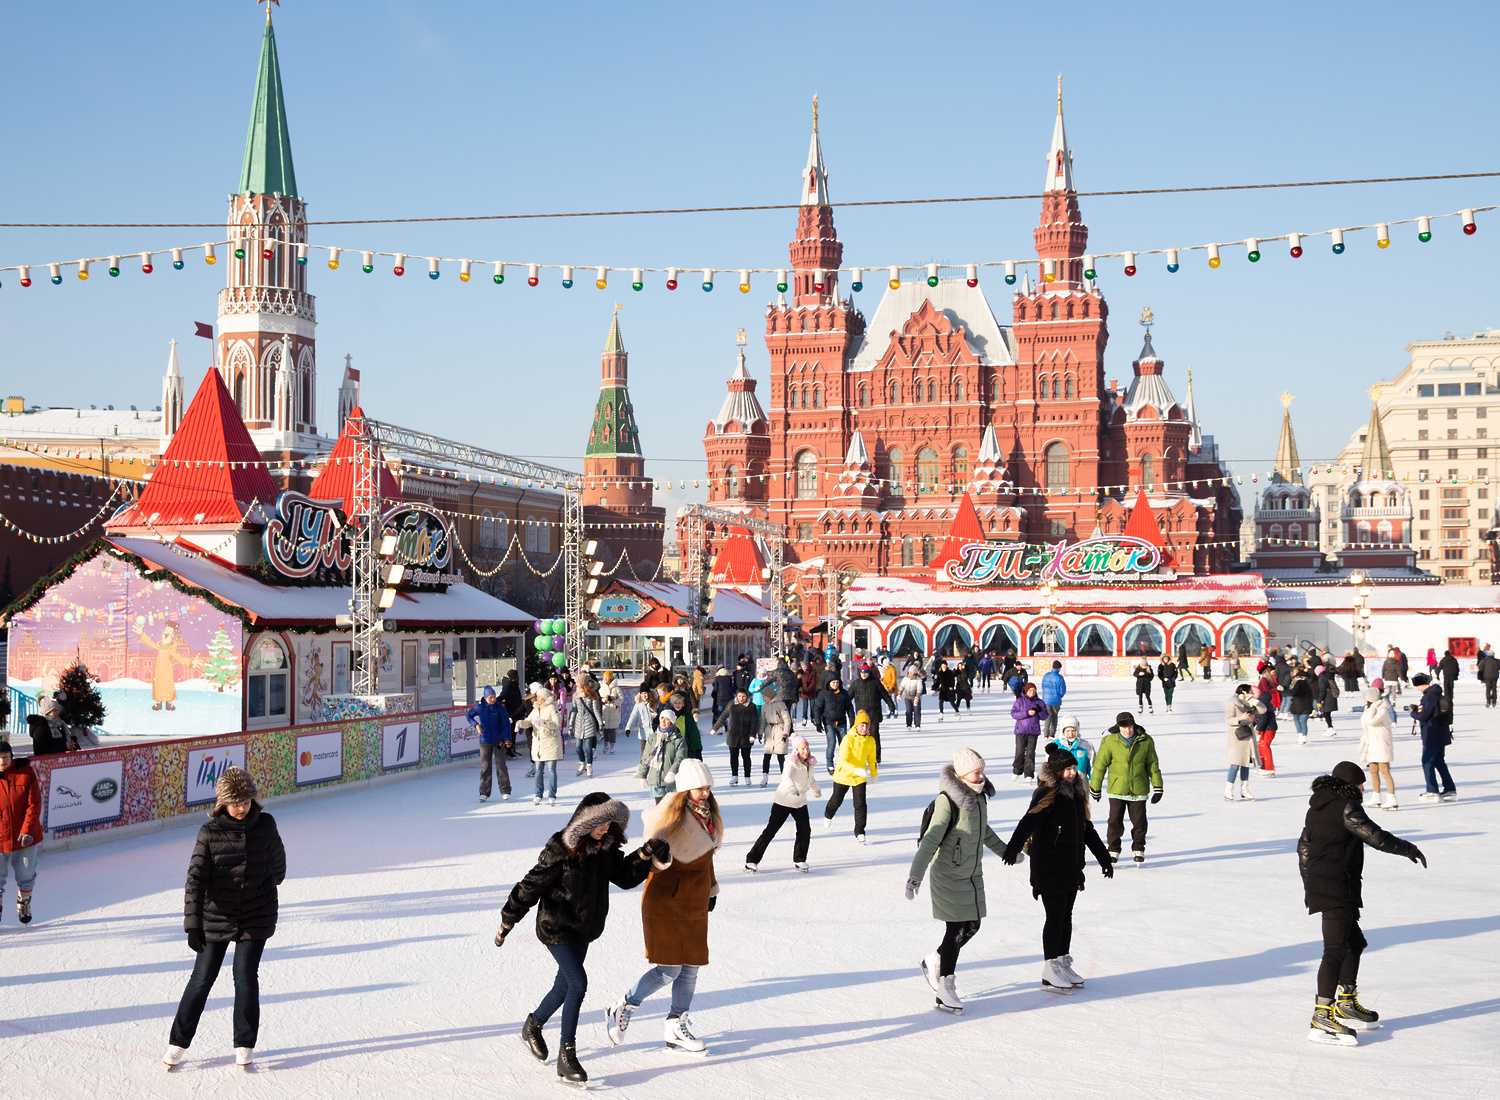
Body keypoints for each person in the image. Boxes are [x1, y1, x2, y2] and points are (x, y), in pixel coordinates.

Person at [497, 794, 664, 1085]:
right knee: (578, 983)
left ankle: (533, 1025)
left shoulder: (605, 848)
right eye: (600, 823)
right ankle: (567, 1055)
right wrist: (508, 919)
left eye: (609, 823)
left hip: (583, 929)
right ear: (585, 821)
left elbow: (624, 877)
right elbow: (531, 884)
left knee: (563, 987)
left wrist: (644, 855)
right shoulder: (561, 848)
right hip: (557, 928)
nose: (605, 829)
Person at [162, 768, 286, 1070]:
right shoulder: (209, 832)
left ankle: (244, 1044)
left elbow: (279, 868)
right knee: (202, 979)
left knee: (245, 978)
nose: (241, 808)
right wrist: (192, 923)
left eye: (245, 801)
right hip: (216, 915)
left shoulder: (265, 825)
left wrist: (261, 883)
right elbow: (195, 879)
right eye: (235, 803)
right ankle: (178, 1043)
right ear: (222, 803)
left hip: (255, 915)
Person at [1299, 760, 1427, 1046]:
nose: (1362, 788)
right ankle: (1322, 1014)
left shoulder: (1316, 806)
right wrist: (1408, 848)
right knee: (1334, 950)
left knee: (1354, 943)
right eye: (1360, 784)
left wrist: (1312, 883)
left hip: (1328, 883)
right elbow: (1374, 836)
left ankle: (1346, 1001)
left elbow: (1303, 846)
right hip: (1336, 886)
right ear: (1350, 785)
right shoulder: (1346, 806)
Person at [607, 759, 721, 1055]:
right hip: (666, 897)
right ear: (685, 789)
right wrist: (658, 857)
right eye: (699, 788)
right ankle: (624, 1005)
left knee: (692, 966)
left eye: (707, 787)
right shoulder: (669, 815)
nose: (705, 793)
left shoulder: (709, 815)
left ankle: (675, 1026)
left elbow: (707, 859)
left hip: (695, 898)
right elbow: (653, 848)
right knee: (670, 968)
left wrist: (712, 888)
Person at [1003, 745, 1114, 993]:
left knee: (1066, 917)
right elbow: (1027, 822)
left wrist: (1104, 857)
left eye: (1074, 768)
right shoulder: (1047, 795)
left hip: (1071, 867)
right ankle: (1050, 968)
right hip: (1048, 867)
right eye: (1067, 769)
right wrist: (1013, 848)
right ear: (1056, 771)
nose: (1073, 772)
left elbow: (1087, 830)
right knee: (1054, 918)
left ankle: (1062, 961)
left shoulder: (1075, 796)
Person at [905, 748, 1006, 1014]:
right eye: (976, 772)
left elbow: (984, 831)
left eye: (982, 770)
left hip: (971, 874)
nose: (981, 775)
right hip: (949, 874)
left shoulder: (979, 797)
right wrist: (915, 876)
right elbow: (931, 840)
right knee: (957, 929)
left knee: (973, 925)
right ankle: (945, 989)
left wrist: (1007, 851)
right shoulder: (947, 801)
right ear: (961, 775)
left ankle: (935, 959)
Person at [1088, 712, 1163, 864]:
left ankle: (1138, 849)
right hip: (1117, 789)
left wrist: (1158, 787)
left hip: (1138, 789)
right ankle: (1113, 849)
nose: (1127, 730)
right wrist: (1095, 787)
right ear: (1118, 727)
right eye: (1124, 727)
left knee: (1139, 822)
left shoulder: (1146, 741)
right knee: (1114, 821)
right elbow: (1100, 766)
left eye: (1129, 727)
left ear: (1133, 725)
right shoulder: (1109, 741)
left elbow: (1153, 765)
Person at [744, 734, 821, 872]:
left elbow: (811, 779)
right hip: (784, 801)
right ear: (796, 749)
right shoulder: (790, 762)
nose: (806, 751)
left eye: (807, 748)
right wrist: (793, 789)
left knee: (805, 830)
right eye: (803, 748)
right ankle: (752, 860)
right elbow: (786, 777)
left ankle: (800, 859)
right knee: (771, 831)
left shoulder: (809, 763)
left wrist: (816, 790)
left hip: (800, 802)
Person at [0, 741, 43, 926]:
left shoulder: (25, 773)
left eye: (6, 757)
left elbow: (34, 804)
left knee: (26, 875)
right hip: (1, 838)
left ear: (11, 757)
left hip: (26, 837)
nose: (3, 761)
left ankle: (24, 903)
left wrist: (27, 830)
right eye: (0, 758)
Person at [823, 709, 878, 843]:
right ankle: (828, 815)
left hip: (859, 777)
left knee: (860, 804)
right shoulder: (848, 739)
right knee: (836, 800)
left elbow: (872, 759)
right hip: (843, 775)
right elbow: (843, 760)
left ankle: (860, 831)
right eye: (861, 725)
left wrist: (873, 773)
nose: (864, 727)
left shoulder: (870, 741)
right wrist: (856, 770)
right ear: (856, 725)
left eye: (866, 725)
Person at [1410, 674, 1457, 802]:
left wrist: (1413, 713)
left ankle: (1432, 791)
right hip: (1441, 733)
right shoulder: (1436, 693)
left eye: (1417, 686)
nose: (1417, 688)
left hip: (1432, 734)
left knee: (1427, 762)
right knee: (1439, 762)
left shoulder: (1429, 696)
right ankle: (1450, 789)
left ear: (1421, 684)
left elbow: (1425, 715)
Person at [518, 683, 563, 806]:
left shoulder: (552, 708)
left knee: (551, 770)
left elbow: (557, 724)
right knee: (538, 771)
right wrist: (520, 723)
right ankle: (538, 794)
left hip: (550, 743)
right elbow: (528, 722)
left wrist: (543, 722)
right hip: (538, 745)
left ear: (543, 698)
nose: (536, 699)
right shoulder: (535, 708)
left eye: (538, 697)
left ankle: (552, 795)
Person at [467, 685, 514, 802]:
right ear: (485, 697)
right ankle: (484, 792)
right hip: (485, 740)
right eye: (490, 697)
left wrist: (507, 738)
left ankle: (505, 790)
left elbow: (506, 724)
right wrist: (476, 725)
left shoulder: (500, 708)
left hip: (499, 741)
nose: (493, 699)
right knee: (485, 766)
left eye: (494, 697)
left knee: (501, 766)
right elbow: (468, 715)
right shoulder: (480, 707)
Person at [1358, 680, 1398, 810]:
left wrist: (1373, 708)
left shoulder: (1382, 708)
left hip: (1381, 743)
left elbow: (1372, 722)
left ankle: (1392, 798)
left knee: (1384, 771)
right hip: (1371, 743)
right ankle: (1376, 797)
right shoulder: (1369, 708)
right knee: (1373, 770)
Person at [638, 709, 688, 803]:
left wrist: (672, 772)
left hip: (672, 781)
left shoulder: (678, 739)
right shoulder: (653, 738)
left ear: (672, 722)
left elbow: (680, 758)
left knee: (672, 808)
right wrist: (642, 775)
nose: (663, 721)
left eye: (667, 719)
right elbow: (646, 757)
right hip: (656, 780)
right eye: (662, 718)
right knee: (660, 808)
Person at [712, 687, 759, 787]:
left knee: (746, 757)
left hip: (746, 736)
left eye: (743, 696)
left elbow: (755, 722)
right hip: (733, 736)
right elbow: (723, 716)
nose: (741, 698)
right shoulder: (731, 704)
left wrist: (752, 735)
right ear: (736, 696)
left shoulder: (751, 706)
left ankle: (747, 777)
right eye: (739, 696)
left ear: (747, 696)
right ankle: (734, 776)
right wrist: (715, 728)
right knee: (734, 757)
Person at [850, 664, 896, 765]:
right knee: (861, 736)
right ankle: (861, 756)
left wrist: (891, 705)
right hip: (861, 715)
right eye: (862, 672)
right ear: (859, 673)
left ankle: (876, 757)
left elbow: (885, 694)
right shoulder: (855, 684)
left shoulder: (875, 683)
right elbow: (848, 698)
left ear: (869, 673)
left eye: (866, 672)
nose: (864, 674)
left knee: (874, 735)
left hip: (874, 713)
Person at [1225, 684, 1264, 802]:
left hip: (1247, 735)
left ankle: (1244, 790)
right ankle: (1228, 790)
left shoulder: (1249, 702)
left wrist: (1254, 700)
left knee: (1246, 763)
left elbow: (1263, 710)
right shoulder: (1232, 702)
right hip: (1237, 736)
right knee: (1235, 764)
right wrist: (1242, 718)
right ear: (1243, 692)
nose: (1251, 693)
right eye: (1250, 692)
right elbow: (1228, 719)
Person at [811, 675, 855, 775]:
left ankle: (845, 762)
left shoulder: (844, 693)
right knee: (832, 743)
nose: (835, 684)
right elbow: (817, 708)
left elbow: (849, 708)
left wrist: (852, 720)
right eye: (833, 682)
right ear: (829, 683)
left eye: (837, 682)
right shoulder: (823, 694)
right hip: (828, 722)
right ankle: (830, 763)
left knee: (844, 744)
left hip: (841, 722)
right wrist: (818, 723)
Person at [1010, 681, 1050, 784]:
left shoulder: (1039, 702)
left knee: (1030, 753)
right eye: (1030, 690)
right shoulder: (1019, 701)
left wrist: (1039, 711)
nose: (1032, 692)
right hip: (1021, 731)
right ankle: (1017, 770)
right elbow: (1014, 714)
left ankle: (1029, 773)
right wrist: (1027, 713)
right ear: (1026, 691)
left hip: (1033, 731)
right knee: (1019, 751)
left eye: (1034, 690)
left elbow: (1045, 716)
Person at [570, 678, 605, 779]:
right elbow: (574, 710)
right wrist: (571, 724)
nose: (576, 685)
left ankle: (589, 766)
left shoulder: (592, 695)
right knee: (578, 747)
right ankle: (582, 762)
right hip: (578, 723)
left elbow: (596, 710)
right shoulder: (575, 696)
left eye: (578, 683)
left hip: (589, 722)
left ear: (583, 684)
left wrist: (600, 723)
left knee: (588, 748)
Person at [758, 682, 792, 786]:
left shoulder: (780, 704)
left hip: (780, 730)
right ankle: (765, 777)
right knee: (766, 755)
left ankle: (784, 777)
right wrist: (760, 732)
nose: (763, 699)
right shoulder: (764, 706)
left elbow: (787, 720)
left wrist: (786, 732)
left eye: (764, 697)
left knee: (781, 756)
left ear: (769, 696)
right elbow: (763, 720)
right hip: (769, 731)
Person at [1046, 714, 1092, 780]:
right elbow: (1048, 767)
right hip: (1061, 783)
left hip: (1081, 783)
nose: (1070, 734)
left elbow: (1092, 766)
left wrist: (1093, 783)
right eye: (1068, 731)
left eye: (1073, 731)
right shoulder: (1055, 746)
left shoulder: (1086, 745)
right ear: (1063, 731)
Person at [1254, 671, 1279, 776]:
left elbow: (1263, 716)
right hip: (1266, 727)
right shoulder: (1260, 699)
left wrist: (1258, 729)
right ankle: (1263, 766)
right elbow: (1259, 716)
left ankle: (1269, 768)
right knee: (1260, 745)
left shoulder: (1262, 700)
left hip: (1269, 727)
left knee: (1264, 745)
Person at [1040, 660, 1067, 739]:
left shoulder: (1046, 675)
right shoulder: (1059, 678)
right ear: (1059, 668)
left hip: (1046, 700)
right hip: (1056, 701)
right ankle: (1052, 734)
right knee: (1054, 717)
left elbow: (1043, 686)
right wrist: (1059, 696)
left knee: (1048, 717)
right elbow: (1062, 690)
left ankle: (1045, 734)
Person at [1288, 666, 1314, 744]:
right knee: (1302, 721)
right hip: (1306, 704)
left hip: (1297, 704)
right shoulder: (1308, 682)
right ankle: (1303, 736)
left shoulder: (1296, 682)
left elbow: (1293, 692)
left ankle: (1301, 735)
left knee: (1298, 720)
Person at [599, 671, 623, 755]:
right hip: (605, 710)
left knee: (612, 730)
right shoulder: (602, 688)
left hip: (613, 711)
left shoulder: (616, 688)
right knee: (605, 730)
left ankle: (612, 746)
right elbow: (599, 698)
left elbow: (621, 699)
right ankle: (605, 745)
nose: (605, 680)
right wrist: (603, 700)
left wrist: (614, 700)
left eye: (607, 678)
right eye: (604, 678)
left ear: (611, 678)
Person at [899, 664, 926, 729]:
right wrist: (899, 694)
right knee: (908, 711)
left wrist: (917, 698)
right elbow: (901, 687)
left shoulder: (918, 679)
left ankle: (917, 725)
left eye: (913, 673)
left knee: (917, 710)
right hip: (907, 697)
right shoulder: (905, 679)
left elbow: (919, 689)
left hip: (915, 697)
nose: (911, 675)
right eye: (910, 673)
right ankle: (909, 724)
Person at [1315, 665, 1340, 734]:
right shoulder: (1328, 675)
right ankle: (1330, 728)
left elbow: (1322, 690)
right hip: (1331, 696)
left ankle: (1330, 728)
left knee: (1326, 713)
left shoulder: (1322, 678)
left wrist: (1320, 700)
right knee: (1327, 713)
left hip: (1327, 697)